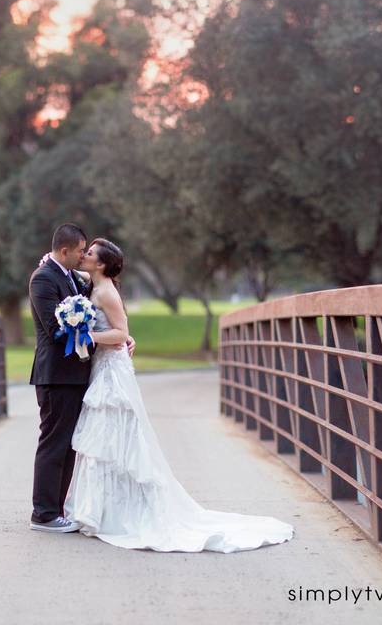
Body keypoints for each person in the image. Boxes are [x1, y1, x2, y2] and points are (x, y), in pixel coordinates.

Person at [62, 237, 295, 552]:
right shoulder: (90, 282)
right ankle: (97, 509)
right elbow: (69, 275)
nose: (84, 256)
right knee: (101, 438)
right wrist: (47, 266)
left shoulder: (107, 292)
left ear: (101, 264)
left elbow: (121, 333)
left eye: (89, 254)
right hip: (100, 368)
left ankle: (117, 512)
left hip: (111, 373)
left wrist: (86, 334)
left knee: (116, 435)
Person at [27, 224, 135, 532]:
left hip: (76, 375)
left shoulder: (70, 276)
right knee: (54, 443)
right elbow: (54, 328)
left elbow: (103, 305)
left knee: (68, 444)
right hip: (56, 376)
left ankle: (57, 510)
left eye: (86, 252)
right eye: (79, 250)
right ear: (64, 251)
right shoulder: (45, 279)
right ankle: (44, 514)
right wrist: (99, 335)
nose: (81, 256)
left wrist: (121, 337)